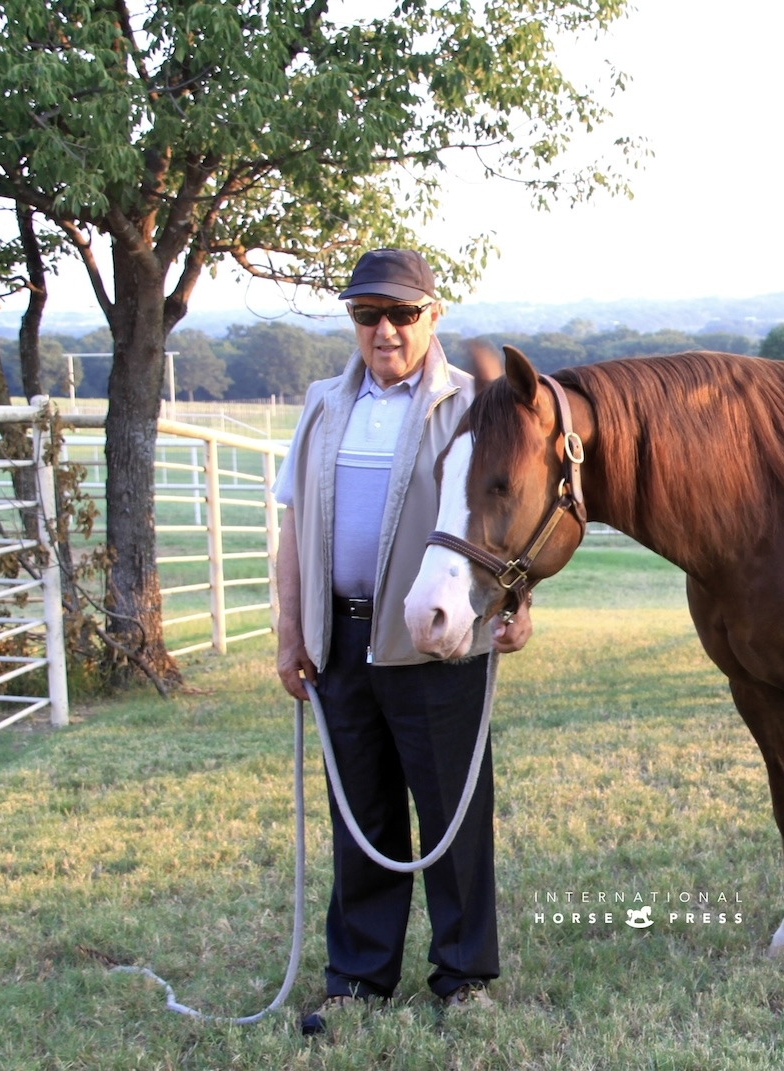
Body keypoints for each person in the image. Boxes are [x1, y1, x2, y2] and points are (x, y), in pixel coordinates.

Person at [272, 248, 532, 1035]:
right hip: (339, 644)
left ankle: (462, 975)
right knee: (361, 816)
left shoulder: (473, 405)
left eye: (401, 314)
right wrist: (290, 630)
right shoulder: (322, 404)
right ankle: (356, 976)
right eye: (365, 314)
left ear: (432, 316)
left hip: (437, 645)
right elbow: (291, 526)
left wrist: (518, 601)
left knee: (453, 814)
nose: (384, 330)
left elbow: (511, 513)